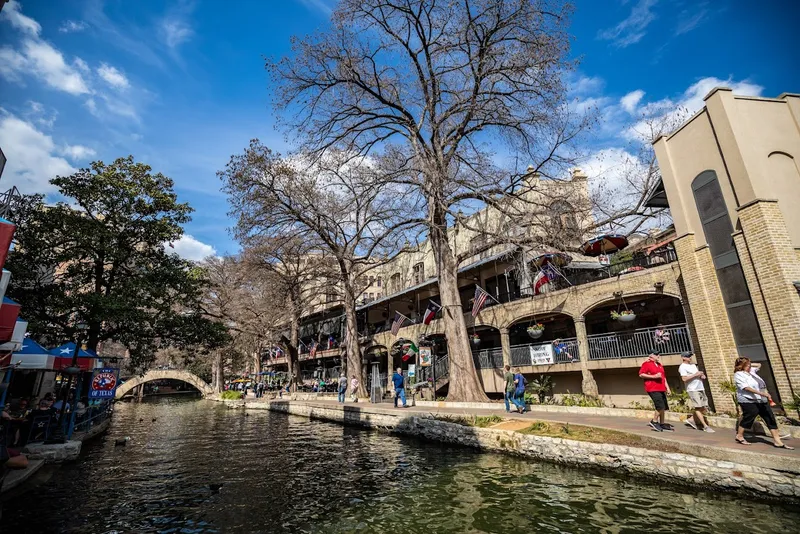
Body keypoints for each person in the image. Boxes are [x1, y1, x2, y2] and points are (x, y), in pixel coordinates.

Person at [734, 357, 793, 449]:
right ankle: (739, 435)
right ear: (741, 366)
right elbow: (746, 387)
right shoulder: (739, 374)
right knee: (750, 416)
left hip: (762, 399)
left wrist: (749, 363)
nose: (749, 366)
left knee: (770, 417)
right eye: (746, 365)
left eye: (749, 364)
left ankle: (778, 441)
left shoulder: (751, 371)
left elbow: (759, 365)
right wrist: (762, 393)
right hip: (748, 400)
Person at [678, 352, 714, 432]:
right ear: (683, 358)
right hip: (692, 389)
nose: (690, 358)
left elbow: (697, 375)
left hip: (700, 387)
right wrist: (695, 375)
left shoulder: (693, 365)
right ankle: (705, 426)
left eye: (690, 356)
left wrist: (701, 375)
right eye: (688, 356)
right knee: (698, 407)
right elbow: (684, 379)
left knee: (704, 407)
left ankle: (691, 419)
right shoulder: (682, 367)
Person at [638, 351, 673, 432]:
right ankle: (654, 421)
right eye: (656, 354)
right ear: (651, 356)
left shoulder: (660, 365)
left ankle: (662, 424)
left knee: (663, 407)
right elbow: (641, 374)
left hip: (661, 388)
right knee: (660, 406)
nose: (658, 356)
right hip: (653, 388)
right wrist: (653, 376)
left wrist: (667, 388)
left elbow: (663, 377)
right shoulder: (646, 364)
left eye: (658, 354)